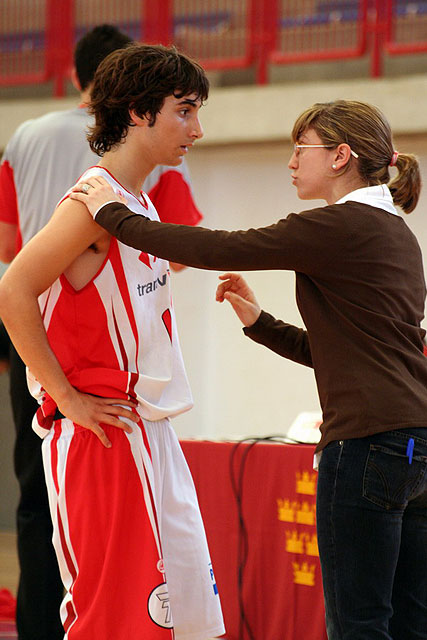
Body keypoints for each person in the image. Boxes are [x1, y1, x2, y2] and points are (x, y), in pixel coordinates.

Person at [71, 100, 427, 639]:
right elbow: (345, 353)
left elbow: (218, 247)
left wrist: (114, 215)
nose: (290, 162)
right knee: (407, 620)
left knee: (358, 622)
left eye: (300, 150)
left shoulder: (339, 226)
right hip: (414, 445)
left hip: (365, 444)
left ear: (340, 156)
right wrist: (259, 321)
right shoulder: (395, 231)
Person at [0, 25, 205, 640]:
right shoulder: (91, 202)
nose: (197, 129)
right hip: (98, 431)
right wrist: (64, 396)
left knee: (171, 615)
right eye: (186, 112)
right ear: (140, 113)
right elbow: (13, 287)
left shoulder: (139, 203)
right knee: (110, 618)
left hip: (143, 426)